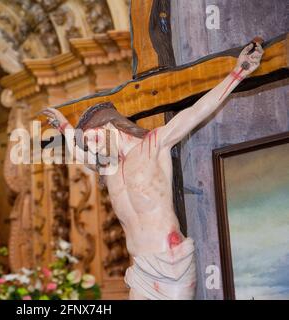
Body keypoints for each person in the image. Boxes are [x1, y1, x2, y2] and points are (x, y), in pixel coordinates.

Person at [42, 41, 263, 299]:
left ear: (109, 127)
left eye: (93, 139)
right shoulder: (109, 167)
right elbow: (81, 153)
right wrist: (65, 128)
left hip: (171, 265)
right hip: (140, 271)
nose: (92, 148)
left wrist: (238, 73)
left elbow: (196, 112)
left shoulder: (154, 145)